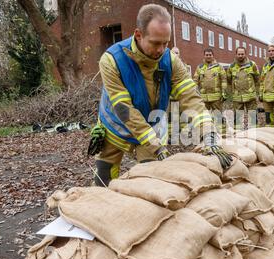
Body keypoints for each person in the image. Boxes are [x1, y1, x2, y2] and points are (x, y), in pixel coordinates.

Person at [89, 4, 232, 186]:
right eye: (156, 43)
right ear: (138, 35)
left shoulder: (171, 60)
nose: (161, 49)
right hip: (115, 128)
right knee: (103, 180)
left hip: (151, 127)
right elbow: (123, 108)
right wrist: (156, 146)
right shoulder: (111, 60)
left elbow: (191, 98)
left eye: (166, 43)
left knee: (155, 183)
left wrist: (208, 133)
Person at [193, 48, 227, 134]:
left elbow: (223, 80)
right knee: (204, 117)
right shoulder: (199, 67)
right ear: (204, 56)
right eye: (207, 55)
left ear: (213, 56)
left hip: (216, 97)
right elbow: (195, 80)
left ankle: (221, 133)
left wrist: (224, 92)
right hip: (203, 98)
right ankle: (206, 133)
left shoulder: (219, 67)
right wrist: (195, 92)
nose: (208, 56)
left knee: (218, 116)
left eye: (210, 55)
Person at [226, 46, 260, 130]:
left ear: (245, 54)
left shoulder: (252, 65)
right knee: (237, 118)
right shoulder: (231, 66)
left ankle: (253, 133)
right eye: (239, 54)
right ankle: (238, 135)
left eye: (242, 54)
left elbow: (257, 79)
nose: (240, 56)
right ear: (236, 54)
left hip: (250, 96)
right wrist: (232, 92)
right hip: (237, 97)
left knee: (252, 117)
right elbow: (229, 80)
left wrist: (256, 92)